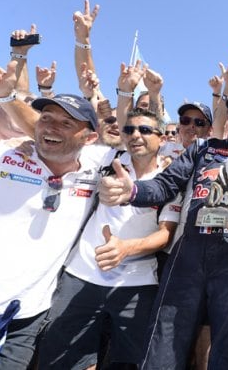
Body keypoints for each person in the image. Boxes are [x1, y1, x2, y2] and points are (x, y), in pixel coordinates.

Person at [98, 92, 228, 369]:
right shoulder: (203, 149)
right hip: (190, 253)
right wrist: (133, 190)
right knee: (165, 338)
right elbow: (165, 184)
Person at [0, 60, 100, 369]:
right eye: (46, 118)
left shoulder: (96, 171)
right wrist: (3, 97)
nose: (51, 127)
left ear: (90, 139)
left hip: (20, 319)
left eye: (66, 123)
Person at [39, 108, 181, 369]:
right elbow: (57, 144)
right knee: (66, 361)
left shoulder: (170, 178)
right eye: (129, 129)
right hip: (81, 275)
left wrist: (127, 248)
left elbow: (165, 234)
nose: (135, 135)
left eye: (145, 130)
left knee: (128, 362)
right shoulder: (105, 157)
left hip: (138, 283)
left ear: (163, 139)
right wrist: (19, 141)